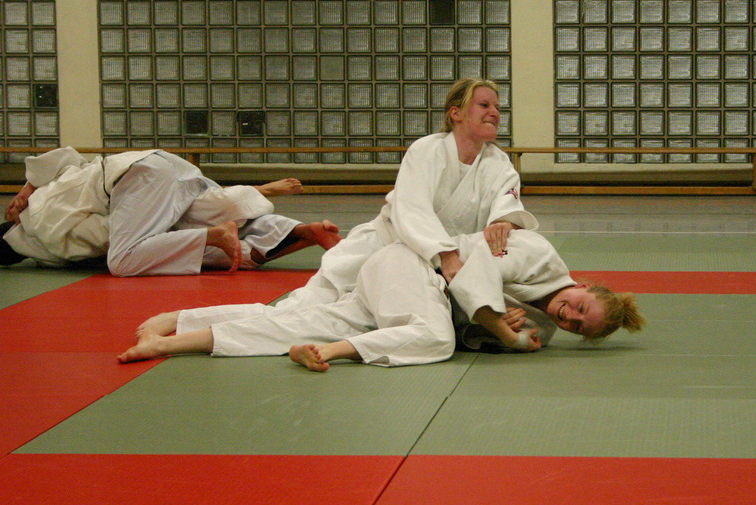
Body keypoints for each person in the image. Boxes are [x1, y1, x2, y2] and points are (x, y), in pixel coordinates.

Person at [117, 229, 646, 370]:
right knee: (434, 340)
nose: (568, 317)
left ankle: (173, 331)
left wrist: (501, 337)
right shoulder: (537, 253)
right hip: (404, 265)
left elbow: (469, 333)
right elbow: (477, 271)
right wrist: (497, 324)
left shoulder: (543, 329)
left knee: (294, 320)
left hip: (399, 295)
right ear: (584, 286)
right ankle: (335, 352)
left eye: (577, 327)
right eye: (579, 307)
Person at [243, 76, 537, 316]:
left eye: (497, 107)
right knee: (305, 311)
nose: (494, 113)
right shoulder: (427, 150)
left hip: (437, 265)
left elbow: (507, 203)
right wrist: (446, 254)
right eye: (484, 105)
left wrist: (504, 222)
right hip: (383, 249)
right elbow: (412, 210)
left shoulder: (499, 163)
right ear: (456, 113)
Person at [0, 146, 340, 274]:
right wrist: (28, 188)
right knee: (222, 210)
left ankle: (215, 236)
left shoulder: (47, 234)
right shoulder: (40, 198)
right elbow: (64, 156)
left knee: (123, 260)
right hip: (158, 163)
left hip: (136, 180)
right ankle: (302, 232)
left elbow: (108, 237)